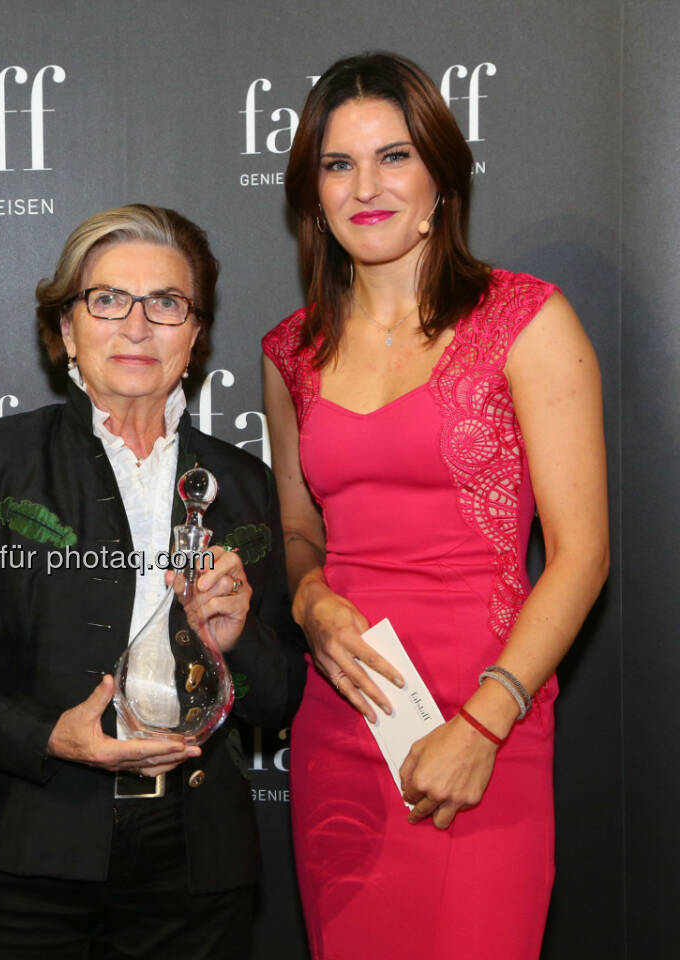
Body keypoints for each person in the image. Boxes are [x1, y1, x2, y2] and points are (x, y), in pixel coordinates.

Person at [262, 52, 608, 958]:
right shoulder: (290, 352)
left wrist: (489, 722)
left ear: (442, 178)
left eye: (395, 157)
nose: (366, 187)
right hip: (343, 718)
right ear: (311, 190)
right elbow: (298, 529)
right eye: (338, 164)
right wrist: (307, 598)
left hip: (487, 718)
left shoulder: (526, 320)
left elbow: (582, 555)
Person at [0, 204, 307, 960]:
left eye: (166, 303)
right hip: (15, 863)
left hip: (194, 877)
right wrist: (50, 735)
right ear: (66, 331)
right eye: (107, 300)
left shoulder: (244, 485)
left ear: (195, 336)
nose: (137, 325)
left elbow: (282, 694)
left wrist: (234, 640)